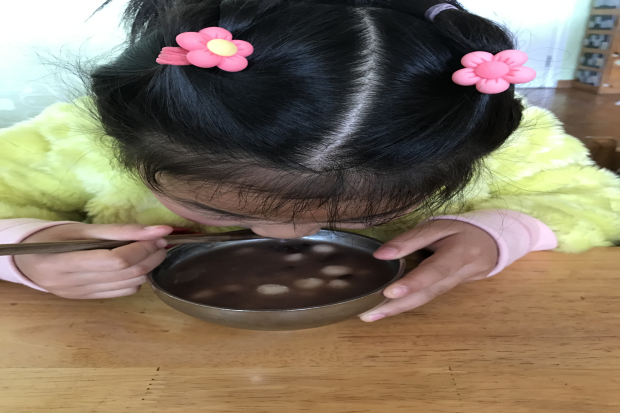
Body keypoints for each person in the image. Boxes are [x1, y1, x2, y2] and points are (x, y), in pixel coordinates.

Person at [0, 0, 618, 323]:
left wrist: (500, 235)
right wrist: (31, 250)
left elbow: (596, 201)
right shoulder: (78, 138)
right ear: (126, 148)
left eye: (368, 215)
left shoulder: (482, 139)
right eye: (217, 209)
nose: (284, 236)